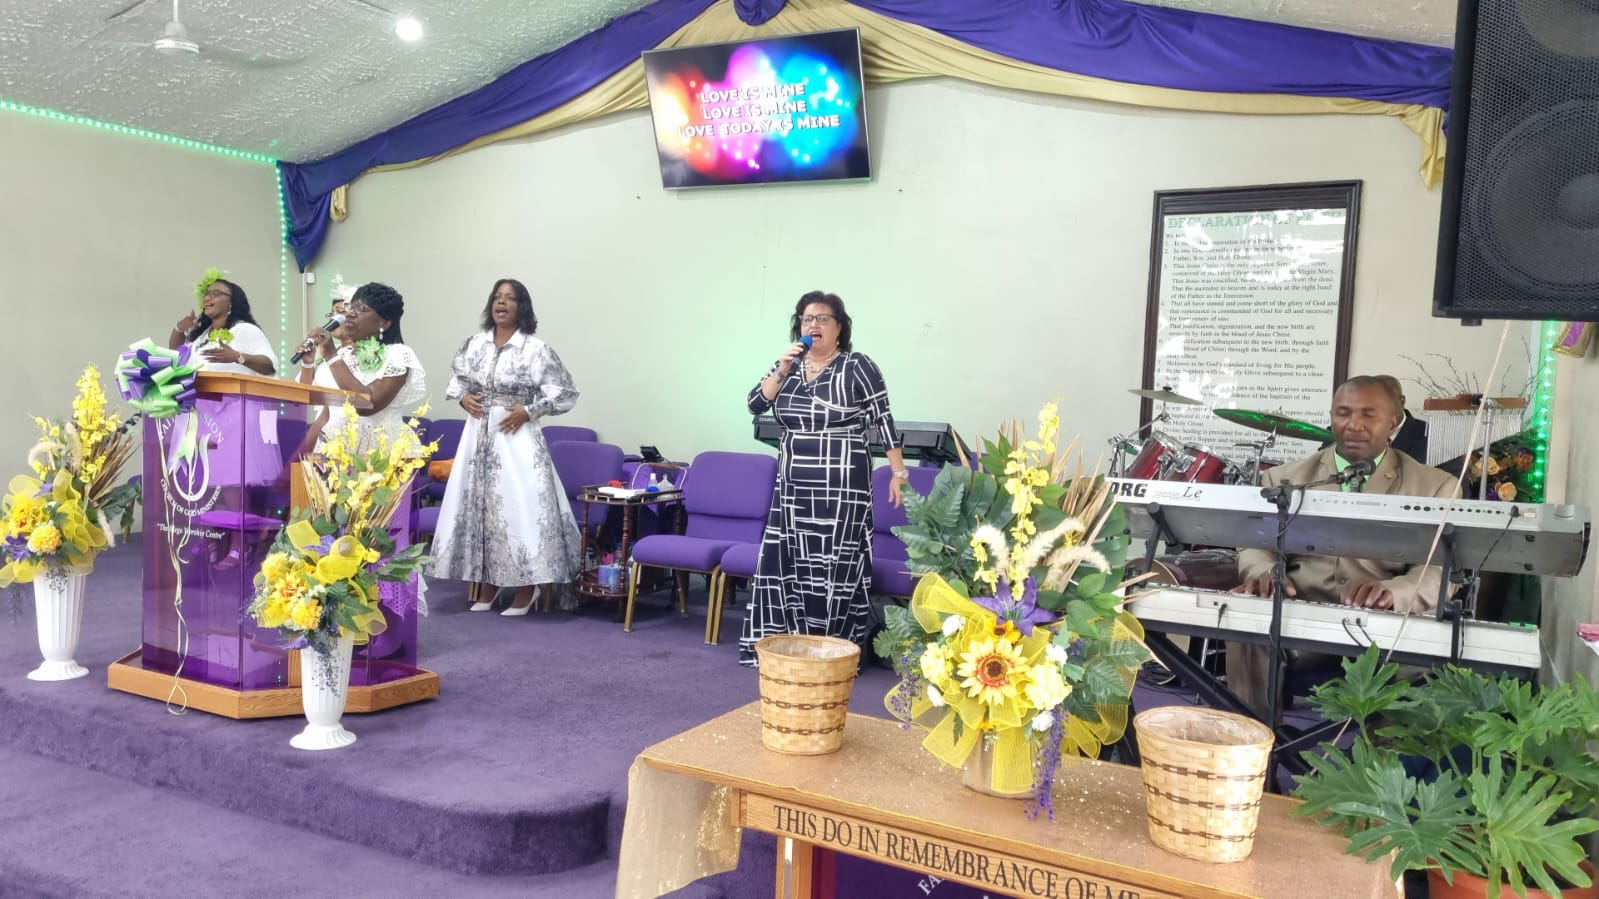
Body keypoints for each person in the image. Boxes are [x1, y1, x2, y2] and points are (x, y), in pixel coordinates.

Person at [1226, 375, 1459, 718]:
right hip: (1299, 614)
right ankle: (1252, 738)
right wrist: (1263, 573)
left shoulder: (1436, 486)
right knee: (1249, 622)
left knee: (1415, 660)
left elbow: (1441, 569)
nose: (1354, 425)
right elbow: (1255, 546)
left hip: (1383, 624)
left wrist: (1394, 592)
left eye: (1368, 414)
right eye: (1343, 413)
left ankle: (1377, 752)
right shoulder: (1283, 479)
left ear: (1393, 422)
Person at [738, 290, 908, 667]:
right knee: (790, 560)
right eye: (806, 319)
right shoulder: (789, 366)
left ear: (839, 327)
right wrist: (782, 369)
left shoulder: (857, 366)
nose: (813, 324)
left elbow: (883, 419)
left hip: (842, 480)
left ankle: (831, 651)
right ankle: (789, 646)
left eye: (822, 319)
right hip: (793, 483)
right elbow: (754, 404)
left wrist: (898, 471)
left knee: (835, 562)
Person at [426, 279, 581, 617]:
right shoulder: (475, 344)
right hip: (477, 437)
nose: (501, 303)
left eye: (509, 298)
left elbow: (564, 392)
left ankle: (527, 586)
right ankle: (489, 582)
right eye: (497, 297)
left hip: (516, 436)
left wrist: (530, 410)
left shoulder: (535, 349)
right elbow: (456, 381)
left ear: (521, 307)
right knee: (481, 510)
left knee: (517, 508)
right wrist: (463, 398)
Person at [306, 282, 428, 449]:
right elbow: (326, 416)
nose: (350, 314)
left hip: (381, 452)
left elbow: (367, 405)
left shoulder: (398, 355)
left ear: (384, 323)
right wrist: (298, 458)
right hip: (336, 450)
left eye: (362, 309)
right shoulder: (343, 355)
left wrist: (331, 356)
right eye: (351, 307)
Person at [170, 278, 277, 376]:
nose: (207, 298)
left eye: (216, 293)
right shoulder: (203, 335)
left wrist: (238, 357)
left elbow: (270, 366)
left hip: (234, 391)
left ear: (231, 302)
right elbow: (178, 357)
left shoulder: (244, 329)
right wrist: (179, 328)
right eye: (206, 293)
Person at [296, 282, 357, 453]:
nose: (334, 319)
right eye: (332, 314)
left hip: (354, 430)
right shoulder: (325, 353)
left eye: (340, 312)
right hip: (325, 433)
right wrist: (308, 362)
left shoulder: (367, 352)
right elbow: (303, 393)